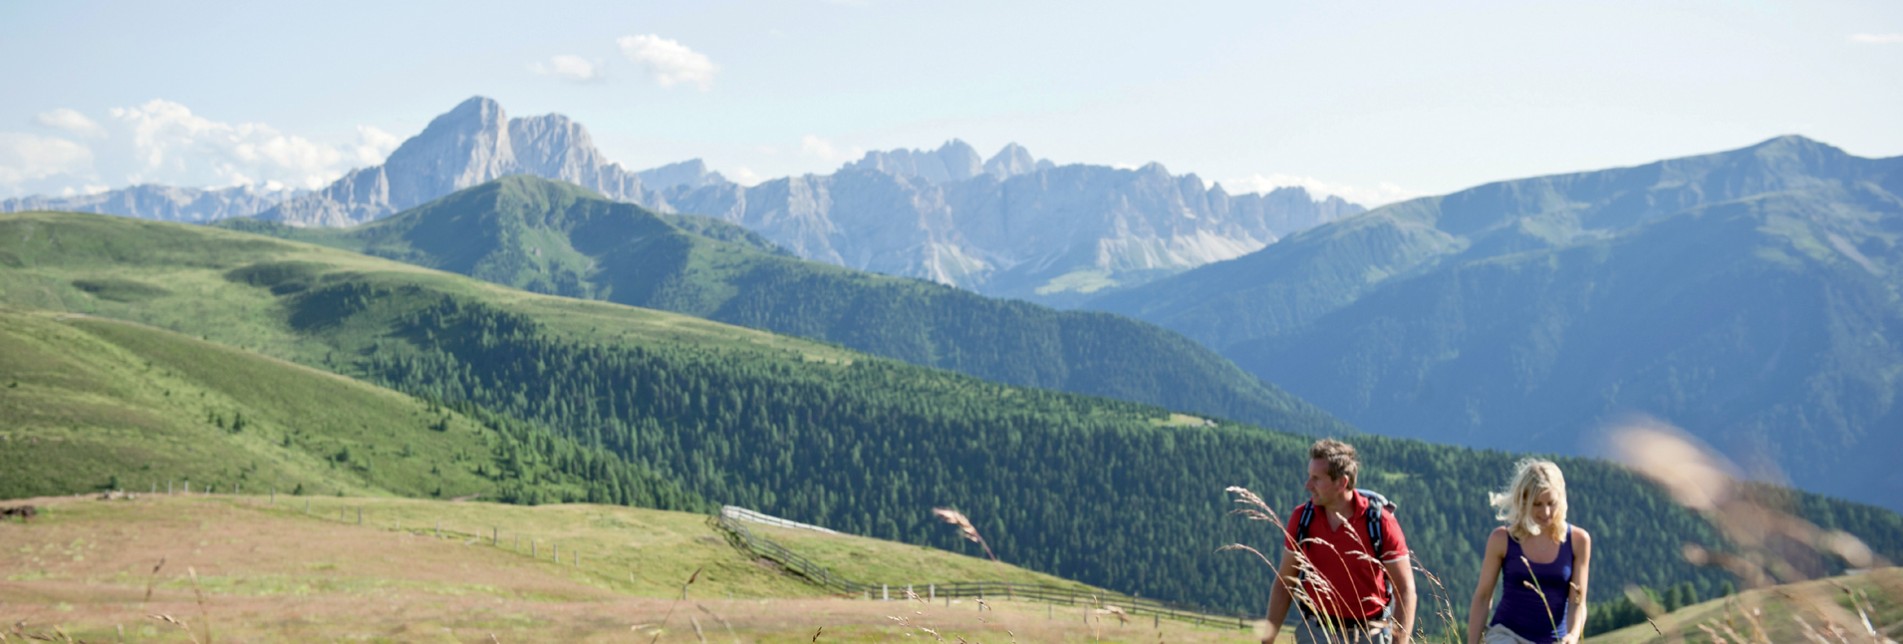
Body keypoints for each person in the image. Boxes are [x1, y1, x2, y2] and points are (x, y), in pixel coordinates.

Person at [1264, 439, 1417, 644]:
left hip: (1368, 635)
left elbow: (1406, 590)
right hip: (1316, 633)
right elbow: (1284, 584)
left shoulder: (1379, 523)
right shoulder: (1302, 519)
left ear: (1341, 483)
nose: (1308, 485)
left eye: (1316, 479)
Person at [1465, 459, 1592, 644]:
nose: (1546, 512)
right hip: (1506, 635)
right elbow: (1483, 597)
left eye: (1551, 503)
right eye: (1537, 504)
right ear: (1523, 502)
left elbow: (1577, 602)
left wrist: (1572, 636)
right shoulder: (1502, 539)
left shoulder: (1578, 541)